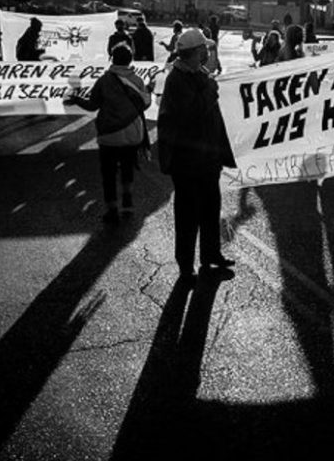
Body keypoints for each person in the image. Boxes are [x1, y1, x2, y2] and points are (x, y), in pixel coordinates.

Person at [157, 28, 237, 281]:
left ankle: (211, 254)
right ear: (194, 53)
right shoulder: (177, 79)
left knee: (211, 210)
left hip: (207, 160)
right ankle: (185, 264)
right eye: (204, 49)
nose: (207, 53)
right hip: (187, 163)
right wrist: (210, 89)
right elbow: (190, 115)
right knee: (188, 215)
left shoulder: (197, 73)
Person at [64, 44, 151, 224]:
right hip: (132, 133)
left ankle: (112, 210)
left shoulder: (104, 81)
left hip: (110, 136)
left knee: (109, 174)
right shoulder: (137, 80)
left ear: (112, 59)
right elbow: (144, 104)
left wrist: (76, 100)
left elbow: (93, 105)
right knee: (127, 168)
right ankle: (127, 201)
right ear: (130, 60)